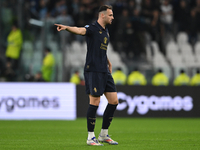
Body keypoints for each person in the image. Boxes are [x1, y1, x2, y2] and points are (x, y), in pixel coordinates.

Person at [55, 5, 118, 146]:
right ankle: (90, 137)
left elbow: (102, 49)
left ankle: (103, 134)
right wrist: (67, 27)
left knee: (114, 101)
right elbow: (80, 30)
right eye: (110, 15)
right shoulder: (92, 28)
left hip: (104, 70)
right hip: (93, 70)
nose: (113, 17)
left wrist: (108, 61)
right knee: (95, 102)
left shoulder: (105, 31)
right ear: (102, 15)